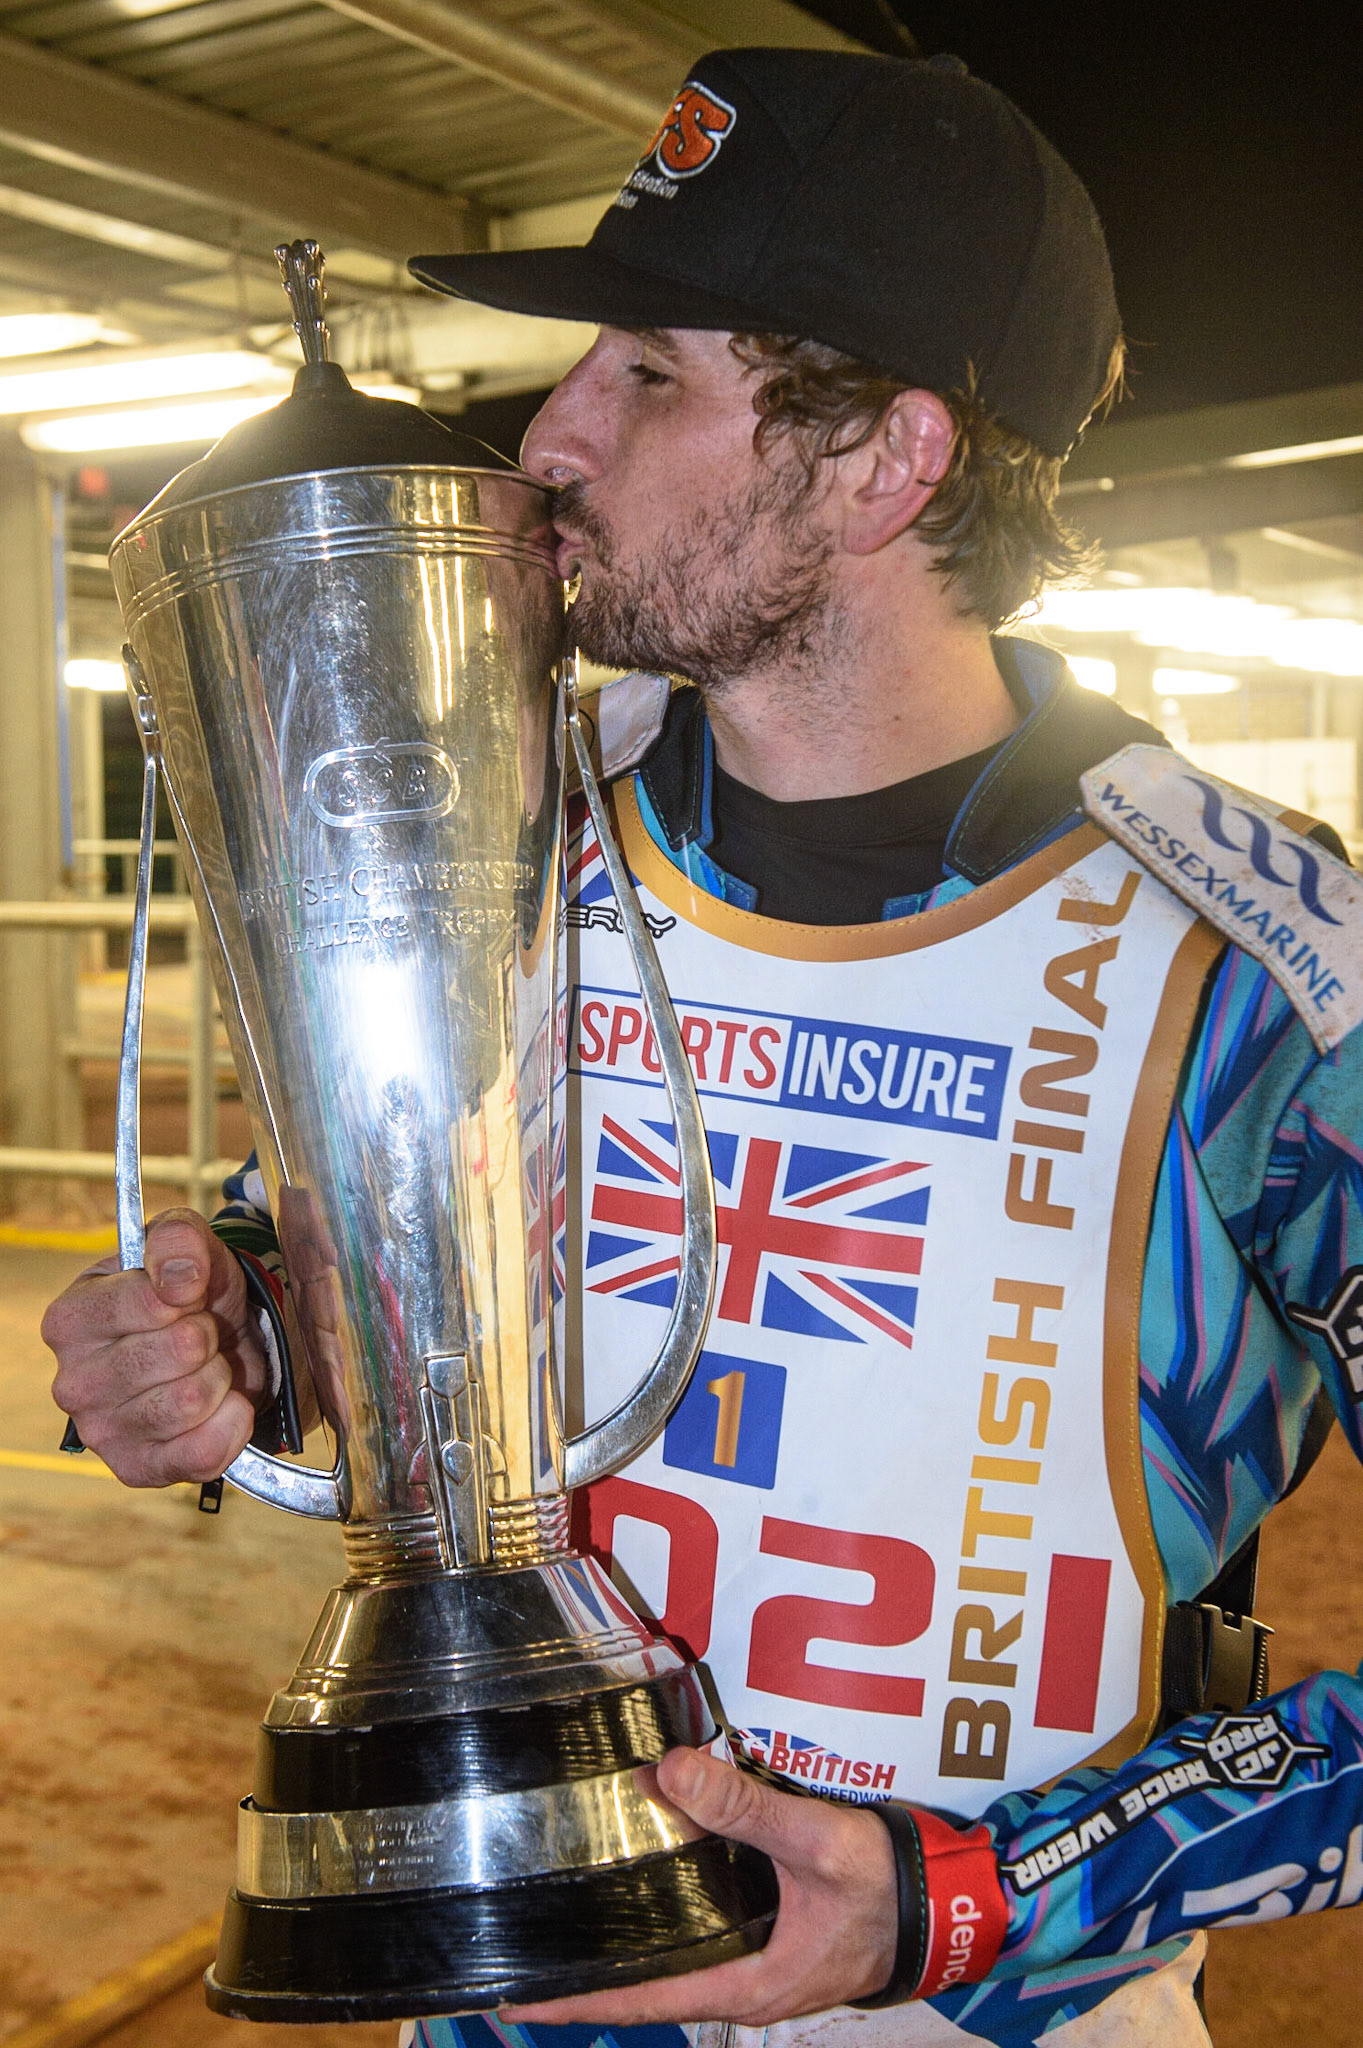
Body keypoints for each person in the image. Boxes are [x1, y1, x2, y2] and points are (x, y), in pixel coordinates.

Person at [42, 46, 1363, 2048]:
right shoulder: (494, 844)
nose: (546, 438)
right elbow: (355, 1292)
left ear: (885, 461)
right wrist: (231, 1342)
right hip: (515, 1993)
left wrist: (984, 1883)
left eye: (647, 376)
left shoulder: (1262, 963)